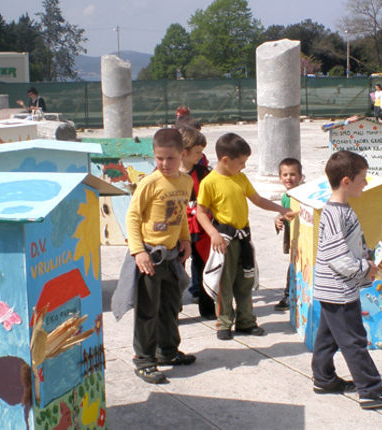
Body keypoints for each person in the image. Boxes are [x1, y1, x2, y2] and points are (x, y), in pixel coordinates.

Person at [311, 150, 382, 410]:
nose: (366, 183)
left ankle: (324, 378)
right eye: (363, 178)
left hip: (336, 288)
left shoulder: (340, 210)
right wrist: (366, 267)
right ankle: (370, 390)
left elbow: (347, 250)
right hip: (340, 290)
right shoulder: (335, 213)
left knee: (328, 337)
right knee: (353, 340)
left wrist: (370, 259)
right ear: (346, 181)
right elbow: (337, 258)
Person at [196, 133, 294, 340]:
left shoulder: (240, 178)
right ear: (225, 160)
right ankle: (224, 323)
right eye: (241, 162)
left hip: (244, 239)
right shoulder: (209, 182)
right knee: (225, 282)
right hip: (224, 240)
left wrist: (281, 209)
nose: (243, 167)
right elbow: (201, 212)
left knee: (245, 281)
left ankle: (246, 322)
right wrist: (213, 234)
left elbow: (257, 199)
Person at [126, 128, 196, 384]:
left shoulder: (185, 182)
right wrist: (138, 252)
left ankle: (167, 351)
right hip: (150, 258)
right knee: (148, 310)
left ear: (183, 155)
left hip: (172, 257)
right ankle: (144, 360)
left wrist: (185, 239)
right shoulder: (149, 183)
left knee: (170, 307)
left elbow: (180, 215)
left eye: (170, 158)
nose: (165, 164)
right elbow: (133, 217)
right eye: (159, 158)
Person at [177, 126, 216, 320]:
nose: (201, 155)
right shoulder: (169, 173)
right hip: (177, 230)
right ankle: (173, 309)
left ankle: (207, 307)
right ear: (184, 153)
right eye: (198, 152)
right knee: (176, 269)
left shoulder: (204, 173)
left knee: (203, 267)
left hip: (201, 228)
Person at [273, 157, 304, 311]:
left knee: (300, 266)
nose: (288, 178)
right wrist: (278, 220)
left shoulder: (304, 194)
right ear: (280, 177)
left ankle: (293, 294)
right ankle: (289, 294)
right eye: (285, 175)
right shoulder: (286, 197)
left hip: (303, 237)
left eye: (293, 174)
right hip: (292, 237)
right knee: (292, 265)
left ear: (300, 177)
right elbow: (283, 214)